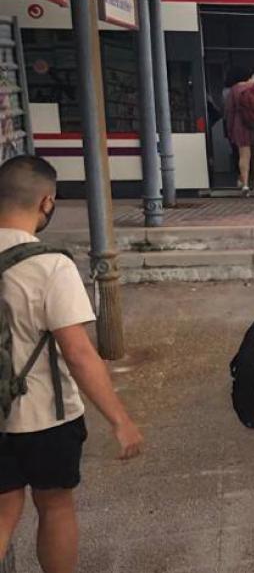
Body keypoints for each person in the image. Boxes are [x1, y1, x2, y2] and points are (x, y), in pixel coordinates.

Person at [0, 156, 144, 570]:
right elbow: (79, 354)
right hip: (47, 416)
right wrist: (119, 420)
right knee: (56, 507)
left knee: (4, 509)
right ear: (47, 202)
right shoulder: (50, 265)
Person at [224, 68, 254, 193]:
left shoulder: (234, 90)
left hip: (240, 124)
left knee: (244, 155)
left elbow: (229, 110)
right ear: (251, 76)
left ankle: (244, 184)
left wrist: (230, 128)